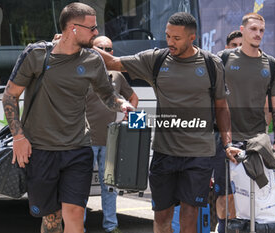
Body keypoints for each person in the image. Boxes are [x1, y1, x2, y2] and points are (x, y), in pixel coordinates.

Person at [94, 12, 241, 233]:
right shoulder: (156, 59)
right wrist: (84, 44)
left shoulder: (212, 64)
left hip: (199, 154)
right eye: (168, 36)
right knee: (162, 216)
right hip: (165, 152)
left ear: (192, 38)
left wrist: (227, 142)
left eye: (176, 38)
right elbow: (114, 62)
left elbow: (222, 106)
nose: (170, 42)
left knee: (189, 214)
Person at [1, 3, 134, 233]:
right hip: (42, 150)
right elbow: (10, 95)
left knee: (74, 213)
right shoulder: (37, 54)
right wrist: (19, 137)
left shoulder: (93, 60)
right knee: (51, 219)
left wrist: (122, 104)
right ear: (73, 28)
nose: (95, 33)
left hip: (78, 148)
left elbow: (107, 95)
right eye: (92, 28)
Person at [214, 13, 275, 233]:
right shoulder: (223, 59)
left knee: (256, 202)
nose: (258, 34)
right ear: (242, 30)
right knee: (225, 198)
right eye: (253, 29)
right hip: (225, 140)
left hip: (257, 142)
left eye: (261, 30)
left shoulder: (271, 64)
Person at [85, 35, 139, 233]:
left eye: (109, 49)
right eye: (101, 48)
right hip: (86, 140)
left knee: (109, 187)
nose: (105, 52)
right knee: (81, 186)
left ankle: (111, 225)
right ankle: (77, 226)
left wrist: (127, 121)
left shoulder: (117, 76)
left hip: (110, 140)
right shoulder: (84, 71)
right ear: (92, 49)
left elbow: (133, 98)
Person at [212, 29, 243, 232]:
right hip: (220, 138)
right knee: (223, 192)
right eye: (234, 46)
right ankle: (223, 227)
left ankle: (232, 227)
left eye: (242, 46)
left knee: (241, 194)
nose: (238, 50)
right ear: (226, 48)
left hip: (246, 138)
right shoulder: (215, 72)